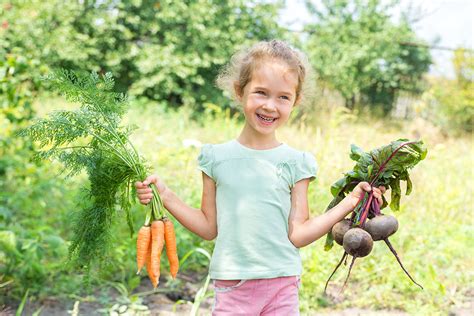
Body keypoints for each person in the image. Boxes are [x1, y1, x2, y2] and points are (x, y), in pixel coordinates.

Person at [135, 40, 385, 315]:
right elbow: (208, 228)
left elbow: (299, 234)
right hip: (233, 286)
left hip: (282, 285)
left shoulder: (296, 163)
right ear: (240, 91)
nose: (270, 106)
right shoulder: (216, 158)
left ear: (295, 102)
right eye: (261, 93)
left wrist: (351, 202)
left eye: (283, 97)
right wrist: (165, 195)